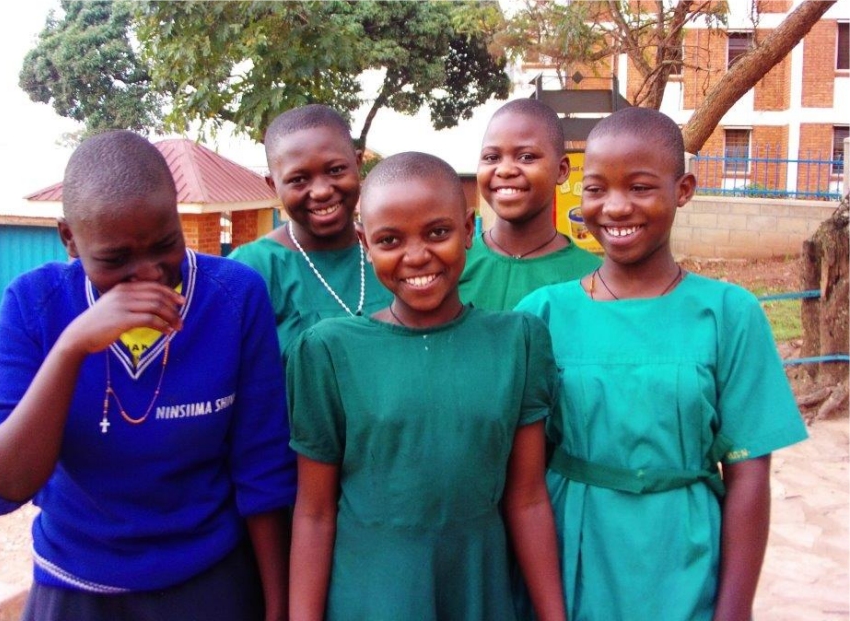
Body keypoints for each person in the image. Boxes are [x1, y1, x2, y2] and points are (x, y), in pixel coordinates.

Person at [0, 130, 296, 621]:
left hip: (210, 586)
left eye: (165, 245)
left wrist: (278, 608)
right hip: (78, 590)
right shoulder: (34, 304)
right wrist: (73, 346)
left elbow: (262, 472)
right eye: (115, 260)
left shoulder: (233, 296)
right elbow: (2, 488)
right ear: (70, 240)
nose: (147, 275)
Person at [515, 108, 809, 621]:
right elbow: (521, 478)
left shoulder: (728, 314)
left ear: (684, 189)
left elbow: (748, 474)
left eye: (641, 187)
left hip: (686, 560)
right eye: (597, 188)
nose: (616, 207)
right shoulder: (542, 314)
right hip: (571, 558)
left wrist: (733, 611)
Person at [286, 151, 566, 621]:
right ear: (365, 244)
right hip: (371, 593)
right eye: (390, 240)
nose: (416, 256)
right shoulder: (329, 352)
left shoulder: (517, 341)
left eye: (437, 233)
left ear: (469, 229)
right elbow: (313, 513)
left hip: (477, 588)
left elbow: (528, 497)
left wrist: (552, 616)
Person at [228, 104, 392, 355]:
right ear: (274, 185)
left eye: (336, 170)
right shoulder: (252, 269)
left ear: (357, 164)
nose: (322, 191)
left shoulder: (392, 251)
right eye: (298, 179)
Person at [459, 98, 601, 311]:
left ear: (562, 170)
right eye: (491, 157)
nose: (505, 170)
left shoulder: (596, 279)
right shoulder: (452, 267)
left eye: (526, 157)